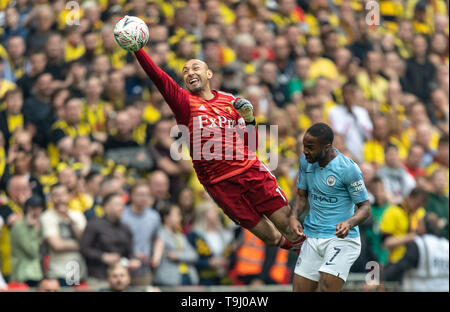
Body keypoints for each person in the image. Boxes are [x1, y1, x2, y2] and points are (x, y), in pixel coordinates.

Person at [130, 42, 305, 254]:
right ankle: (303, 254)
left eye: (195, 68)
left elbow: (249, 143)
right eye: (185, 71)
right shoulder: (183, 102)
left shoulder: (230, 101)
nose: (190, 73)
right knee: (269, 237)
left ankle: (313, 255)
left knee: (289, 227)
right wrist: (138, 49)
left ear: (209, 73)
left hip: (250, 170)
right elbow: (157, 76)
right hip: (219, 183)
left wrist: (249, 119)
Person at [290, 123, 371, 292]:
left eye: (310, 148)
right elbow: (301, 195)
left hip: (341, 239)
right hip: (312, 236)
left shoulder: (348, 169)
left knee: (325, 289)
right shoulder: (306, 162)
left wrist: (349, 223)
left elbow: (365, 207)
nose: (305, 151)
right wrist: (293, 217)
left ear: (327, 147)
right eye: (304, 146)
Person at [80, 192, 141, 290]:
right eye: (117, 204)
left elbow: (129, 252)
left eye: (122, 205)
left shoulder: (125, 228)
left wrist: (133, 260)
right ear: (106, 207)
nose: (121, 208)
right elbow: (84, 248)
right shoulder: (94, 225)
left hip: (120, 279)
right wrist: (103, 256)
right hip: (98, 277)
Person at [383, 213, 449, 292]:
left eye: (418, 224)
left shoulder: (420, 243)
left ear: (424, 227)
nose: (416, 227)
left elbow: (401, 266)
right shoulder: (446, 244)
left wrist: (379, 278)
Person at [40, 183, 87, 287]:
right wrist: (80, 246)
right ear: (51, 198)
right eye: (56, 195)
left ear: (69, 195)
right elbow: (56, 245)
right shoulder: (47, 217)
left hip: (79, 273)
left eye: (63, 194)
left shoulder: (78, 215)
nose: (60, 198)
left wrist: (72, 223)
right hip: (58, 273)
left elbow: (85, 241)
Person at [120, 180, 163, 286]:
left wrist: (156, 257)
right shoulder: (122, 215)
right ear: (132, 196)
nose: (143, 198)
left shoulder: (154, 216)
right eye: (140, 194)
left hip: (144, 270)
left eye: (147, 195)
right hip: (123, 268)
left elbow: (158, 238)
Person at [153, 204, 199, 286]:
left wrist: (177, 256)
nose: (180, 218)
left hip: (188, 277)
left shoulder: (180, 236)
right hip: (168, 280)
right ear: (166, 217)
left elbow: (194, 255)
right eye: (177, 214)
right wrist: (184, 254)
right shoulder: (159, 235)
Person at [10, 195, 45, 287]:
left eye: (39, 207)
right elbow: (32, 251)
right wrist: (35, 231)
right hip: (24, 274)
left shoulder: (39, 223)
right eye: (34, 208)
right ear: (27, 209)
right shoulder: (20, 226)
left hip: (37, 272)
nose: (37, 211)